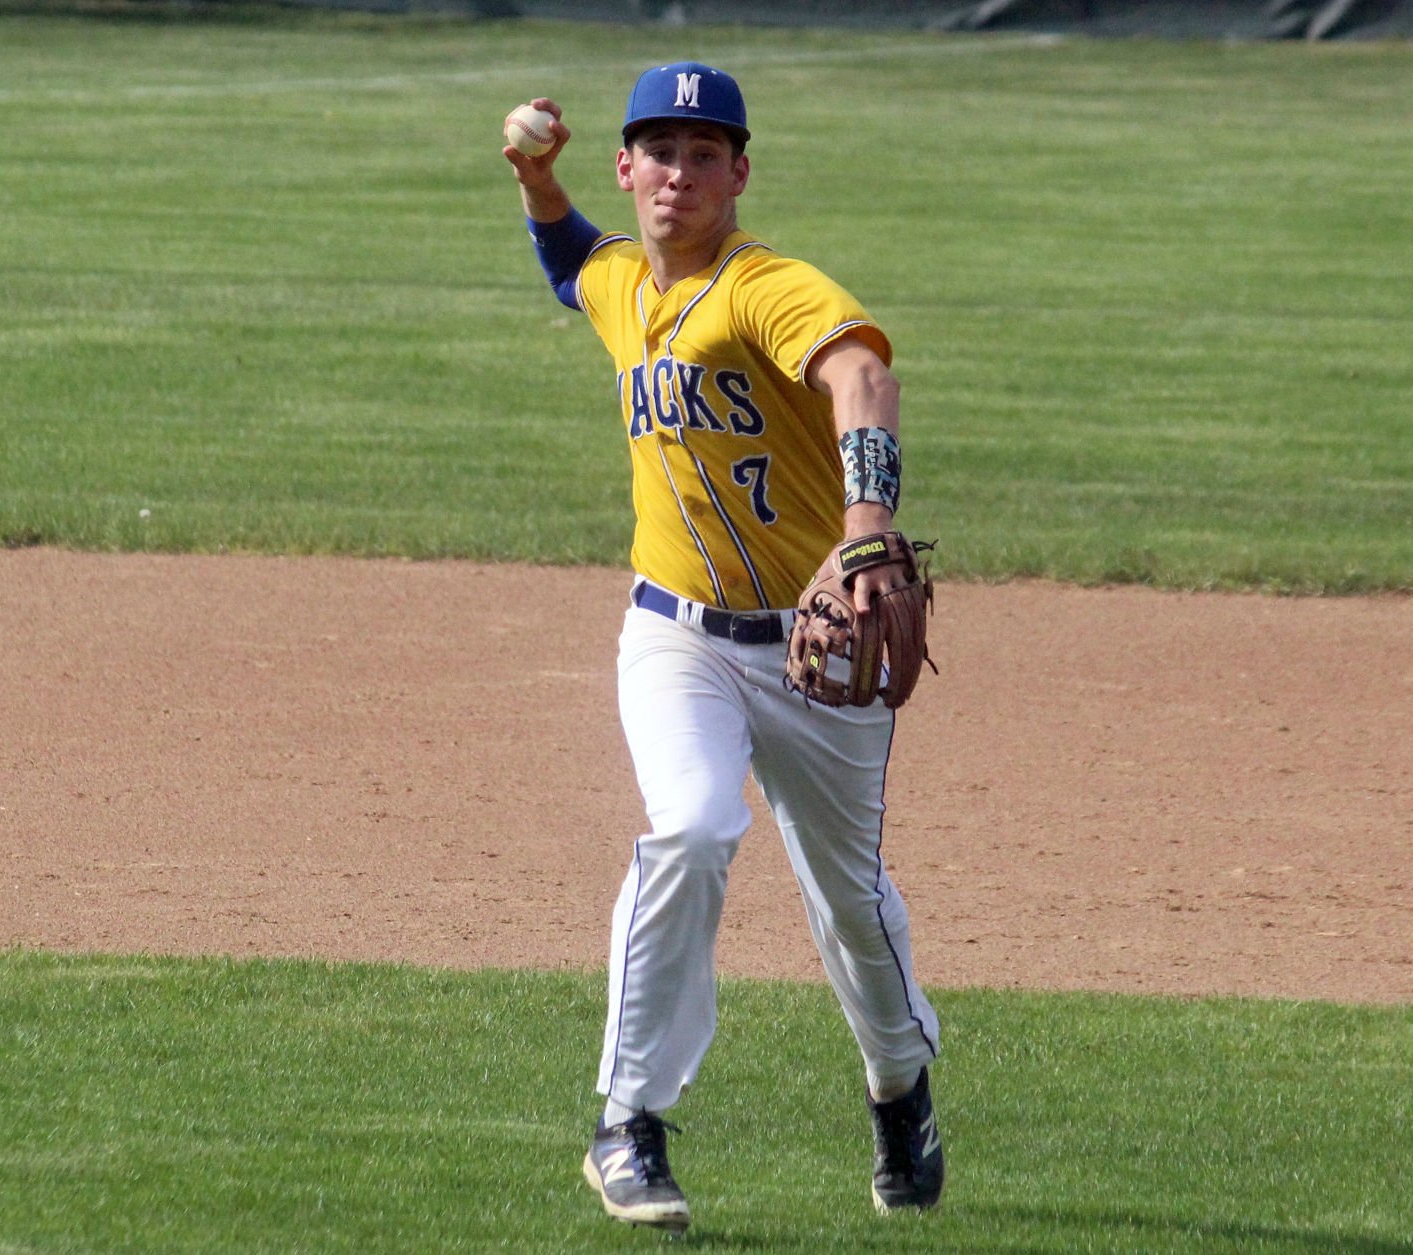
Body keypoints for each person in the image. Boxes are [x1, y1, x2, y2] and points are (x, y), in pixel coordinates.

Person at [502, 61, 943, 1233]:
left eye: (705, 155)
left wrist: (865, 527)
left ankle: (899, 1086)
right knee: (690, 828)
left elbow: (860, 372)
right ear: (627, 165)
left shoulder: (765, 287)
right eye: (659, 150)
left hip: (816, 643)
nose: (679, 174)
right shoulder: (615, 282)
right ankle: (627, 1122)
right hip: (673, 636)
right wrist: (536, 183)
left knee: (848, 896)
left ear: (738, 174)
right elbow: (571, 265)